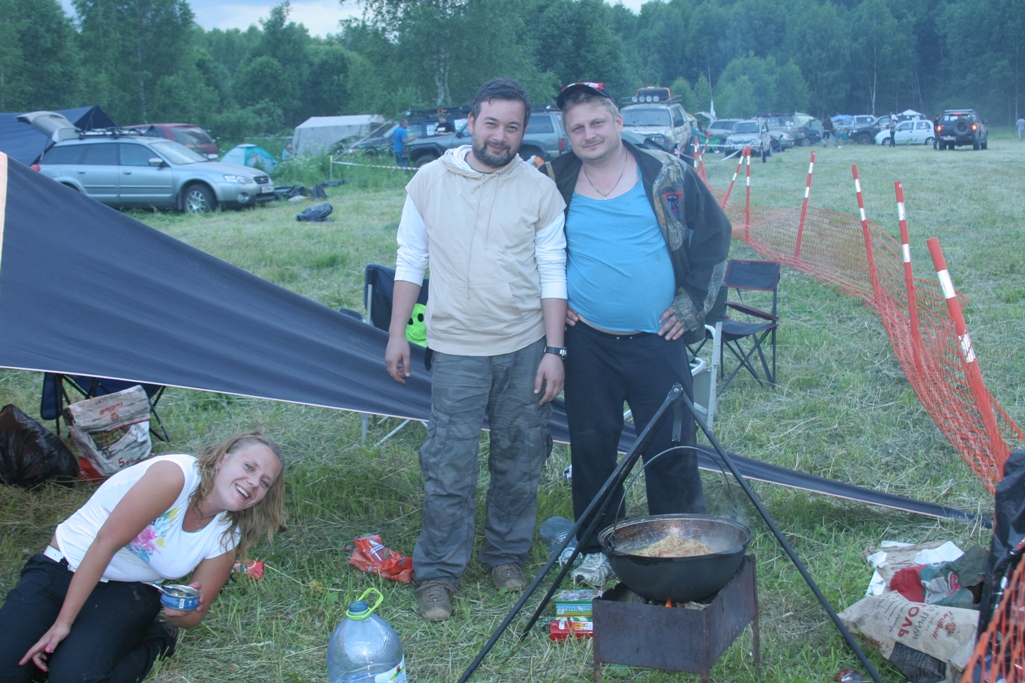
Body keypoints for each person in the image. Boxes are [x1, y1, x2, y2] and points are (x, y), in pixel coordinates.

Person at [384, 76, 567, 622]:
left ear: (523, 132)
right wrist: (397, 332)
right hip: (456, 348)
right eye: (491, 123)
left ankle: (506, 556)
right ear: (471, 123)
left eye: (513, 127)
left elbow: (553, 269)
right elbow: (410, 258)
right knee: (449, 463)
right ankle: (439, 573)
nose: (500, 135)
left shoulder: (539, 190)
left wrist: (555, 350)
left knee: (521, 455)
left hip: (525, 346)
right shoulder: (428, 182)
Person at [541, 82, 731, 587]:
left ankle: (677, 544)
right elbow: (522, 246)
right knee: (592, 448)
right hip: (588, 342)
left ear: (618, 123)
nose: (589, 134)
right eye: (577, 128)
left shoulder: (667, 174)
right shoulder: (553, 180)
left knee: (671, 445)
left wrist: (691, 305)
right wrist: (554, 306)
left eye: (597, 123)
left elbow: (716, 237)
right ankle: (596, 547)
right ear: (567, 135)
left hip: (658, 339)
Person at [0, 431, 285, 682]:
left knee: (74, 677)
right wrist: (63, 623)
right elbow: (104, 544)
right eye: (249, 467)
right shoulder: (176, 476)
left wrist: (180, 616)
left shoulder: (227, 534)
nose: (253, 483)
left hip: (128, 592)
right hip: (64, 567)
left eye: (264, 482)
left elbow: (195, 613)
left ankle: (157, 639)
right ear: (223, 459)